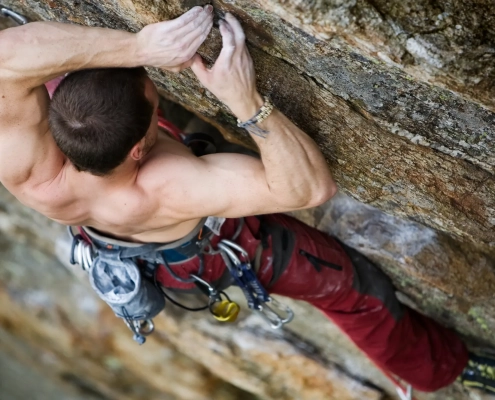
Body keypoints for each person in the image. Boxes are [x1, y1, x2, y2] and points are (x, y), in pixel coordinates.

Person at [0, 6, 494, 395]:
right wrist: (246, 103)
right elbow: (306, 189)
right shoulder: (169, 183)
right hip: (211, 246)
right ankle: (447, 370)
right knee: (352, 289)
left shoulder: (26, 166)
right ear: (139, 149)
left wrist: (138, 45)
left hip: (112, 230)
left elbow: (8, 56)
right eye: (155, 98)